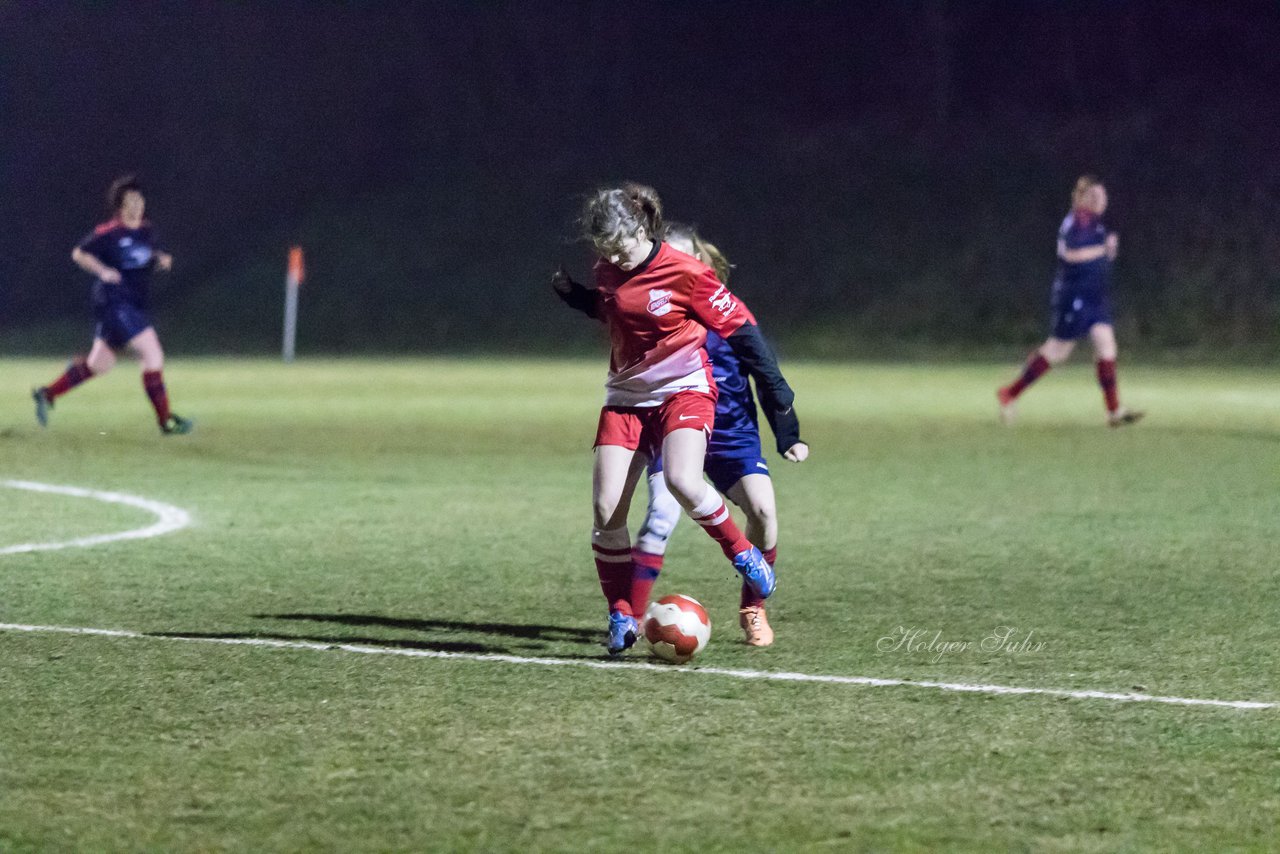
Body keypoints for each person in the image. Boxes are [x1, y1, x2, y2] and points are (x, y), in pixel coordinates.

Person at [554, 183, 799, 655]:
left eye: (621, 247)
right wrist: (573, 296)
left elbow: (746, 334)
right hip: (625, 398)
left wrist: (783, 403)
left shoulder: (687, 273)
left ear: (642, 230)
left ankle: (744, 556)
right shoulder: (607, 266)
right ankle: (621, 614)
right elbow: (613, 307)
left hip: (684, 391)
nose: (616, 259)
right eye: (605, 250)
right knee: (607, 513)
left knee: (685, 482)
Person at [32, 175, 192, 434]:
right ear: (120, 206)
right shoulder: (110, 233)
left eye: (139, 199)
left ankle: (46, 394)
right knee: (153, 355)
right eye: (130, 200)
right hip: (115, 302)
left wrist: (163, 258)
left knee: (99, 365)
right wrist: (103, 271)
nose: (137, 204)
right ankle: (166, 421)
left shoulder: (147, 230)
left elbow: (154, 254)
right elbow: (79, 253)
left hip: (134, 303)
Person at [997, 175, 1143, 427]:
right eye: (1094, 196)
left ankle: (1114, 412)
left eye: (1103, 196)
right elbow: (1072, 254)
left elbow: (1100, 257)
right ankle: (1009, 393)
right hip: (1073, 297)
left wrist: (1109, 251)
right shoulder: (1075, 222)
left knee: (1107, 347)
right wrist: (1103, 250)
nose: (1100, 200)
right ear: (1081, 198)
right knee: (1057, 352)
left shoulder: (1096, 224)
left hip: (1095, 298)